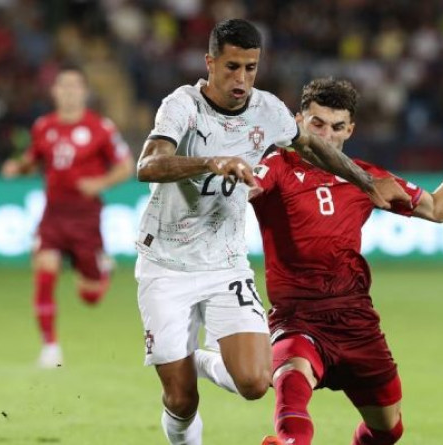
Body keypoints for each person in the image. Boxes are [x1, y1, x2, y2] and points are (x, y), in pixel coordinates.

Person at [134, 19, 404, 445]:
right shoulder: (182, 105)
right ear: (210, 63)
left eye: (251, 68)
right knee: (182, 399)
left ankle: (198, 359)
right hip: (167, 264)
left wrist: (365, 182)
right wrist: (210, 162)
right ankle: (186, 387)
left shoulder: (268, 110)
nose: (242, 79)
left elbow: (312, 147)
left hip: (225, 263)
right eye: (232, 67)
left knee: (256, 382)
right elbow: (147, 165)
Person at [251, 79, 443, 445]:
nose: (326, 135)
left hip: (355, 319)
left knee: (388, 430)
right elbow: (243, 188)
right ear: (298, 122)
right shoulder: (276, 166)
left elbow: (439, 209)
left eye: (337, 127)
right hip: (297, 316)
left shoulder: (366, 179)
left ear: (350, 130)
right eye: (317, 124)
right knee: (292, 383)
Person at [1, 65, 134, 368]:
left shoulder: (101, 128)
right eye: (63, 86)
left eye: (75, 86)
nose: (69, 91)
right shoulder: (43, 126)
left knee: (91, 298)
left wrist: (99, 183)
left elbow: (126, 167)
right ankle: (50, 348)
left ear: (84, 92)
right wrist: (17, 167)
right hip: (53, 215)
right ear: (54, 91)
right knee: (44, 274)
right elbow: (33, 159)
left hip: (86, 218)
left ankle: (101, 270)